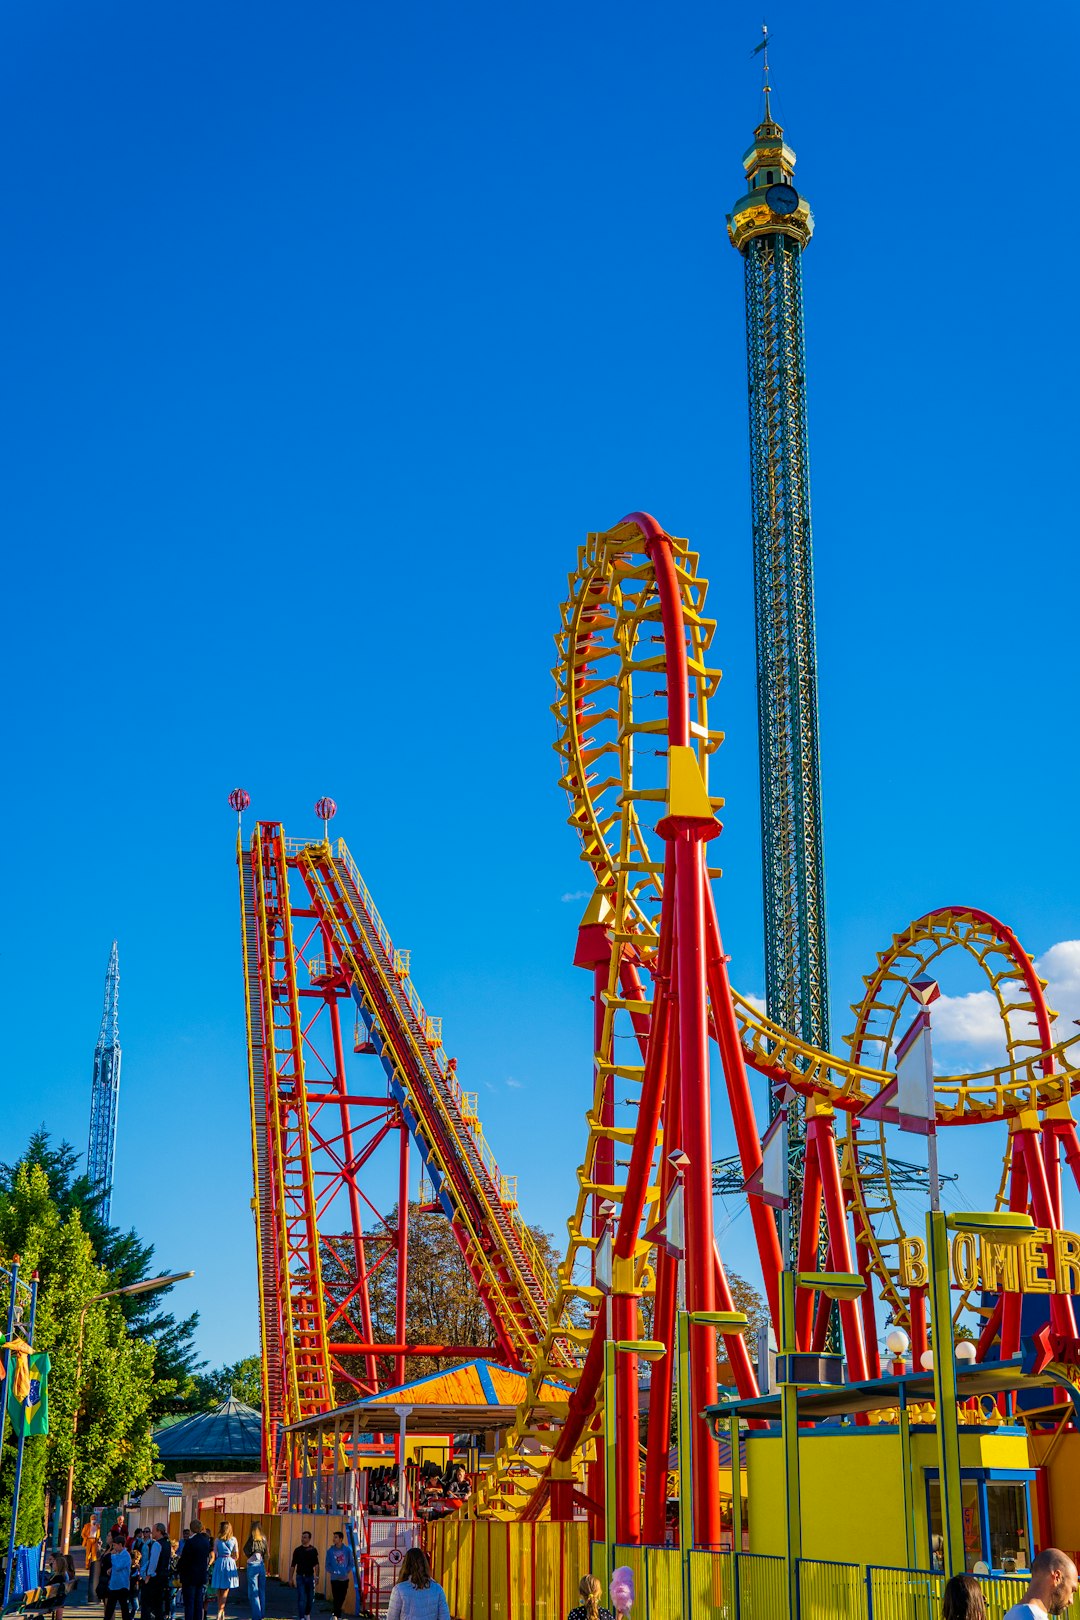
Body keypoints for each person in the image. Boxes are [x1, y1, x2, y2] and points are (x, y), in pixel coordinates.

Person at [1004, 1549, 1080, 1620]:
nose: (1071, 1600)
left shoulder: (1010, 1615)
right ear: (1057, 1577)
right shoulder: (1034, 1617)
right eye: (1072, 1590)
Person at [386, 1549, 449, 1620]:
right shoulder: (437, 1588)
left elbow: (392, 1617)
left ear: (406, 1565)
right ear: (425, 1564)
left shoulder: (399, 1589)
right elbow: (444, 1617)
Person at [176, 1521, 213, 1620]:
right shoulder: (206, 1541)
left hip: (189, 1576)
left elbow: (184, 1559)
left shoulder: (190, 1542)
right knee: (198, 1602)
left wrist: (178, 1568)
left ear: (191, 1528)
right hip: (200, 1575)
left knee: (189, 1603)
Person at [207, 1523, 239, 1620]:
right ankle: (221, 1610)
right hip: (229, 1562)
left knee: (219, 1589)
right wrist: (232, 1560)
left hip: (219, 1562)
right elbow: (236, 1555)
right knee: (225, 1589)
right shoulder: (233, 1539)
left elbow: (215, 1553)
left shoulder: (217, 1540)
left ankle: (220, 1610)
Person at [141, 1525, 171, 1620]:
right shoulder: (167, 1544)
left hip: (155, 1578)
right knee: (159, 1604)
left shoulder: (157, 1544)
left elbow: (153, 1561)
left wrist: (148, 1576)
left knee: (148, 1603)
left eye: (153, 1530)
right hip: (164, 1576)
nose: (152, 1533)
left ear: (159, 1531)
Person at [289, 1533, 319, 1620]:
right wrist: (290, 1578)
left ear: (309, 1539)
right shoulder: (297, 1550)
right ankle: (302, 1617)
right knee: (301, 1597)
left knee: (310, 1598)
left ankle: (307, 1613)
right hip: (300, 1577)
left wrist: (317, 1576)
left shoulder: (313, 1550)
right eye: (302, 1537)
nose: (302, 1539)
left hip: (310, 1577)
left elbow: (316, 1564)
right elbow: (293, 1565)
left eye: (305, 1537)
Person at [105, 1529, 133, 1620]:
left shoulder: (125, 1555)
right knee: (109, 1608)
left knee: (124, 1608)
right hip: (114, 1585)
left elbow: (118, 1566)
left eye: (115, 1545)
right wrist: (111, 1569)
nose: (114, 1548)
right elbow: (116, 1567)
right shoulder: (118, 1554)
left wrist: (113, 1556)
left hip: (122, 1586)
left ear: (120, 1545)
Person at [242, 1525, 268, 1620]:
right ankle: (261, 1614)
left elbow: (245, 1550)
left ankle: (256, 1616)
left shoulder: (251, 1539)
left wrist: (249, 1558)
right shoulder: (263, 1539)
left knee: (253, 1591)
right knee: (261, 1591)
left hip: (252, 1565)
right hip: (261, 1565)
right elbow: (266, 1552)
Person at [324, 1533, 351, 1620]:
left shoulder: (347, 1550)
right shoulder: (330, 1551)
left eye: (336, 1537)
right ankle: (337, 1616)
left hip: (344, 1578)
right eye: (334, 1537)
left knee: (342, 1597)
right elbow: (327, 1565)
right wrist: (333, 1571)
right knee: (336, 1597)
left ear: (341, 1539)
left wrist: (345, 1571)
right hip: (334, 1579)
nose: (334, 1539)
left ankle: (335, 1614)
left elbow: (351, 1563)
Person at [81, 1518, 102, 1603]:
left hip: (95, 1540)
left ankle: (93, 1564)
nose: (93, 1520)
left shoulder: (97, 1526)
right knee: (88, 1554)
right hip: (89, 1539)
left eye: (94, 1519)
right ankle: (87, 1565)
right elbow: (83, 1533)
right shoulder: (87, 1525)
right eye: (92, 1519)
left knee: (94, 1554)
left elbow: (99, 1533)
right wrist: (86, 1538)